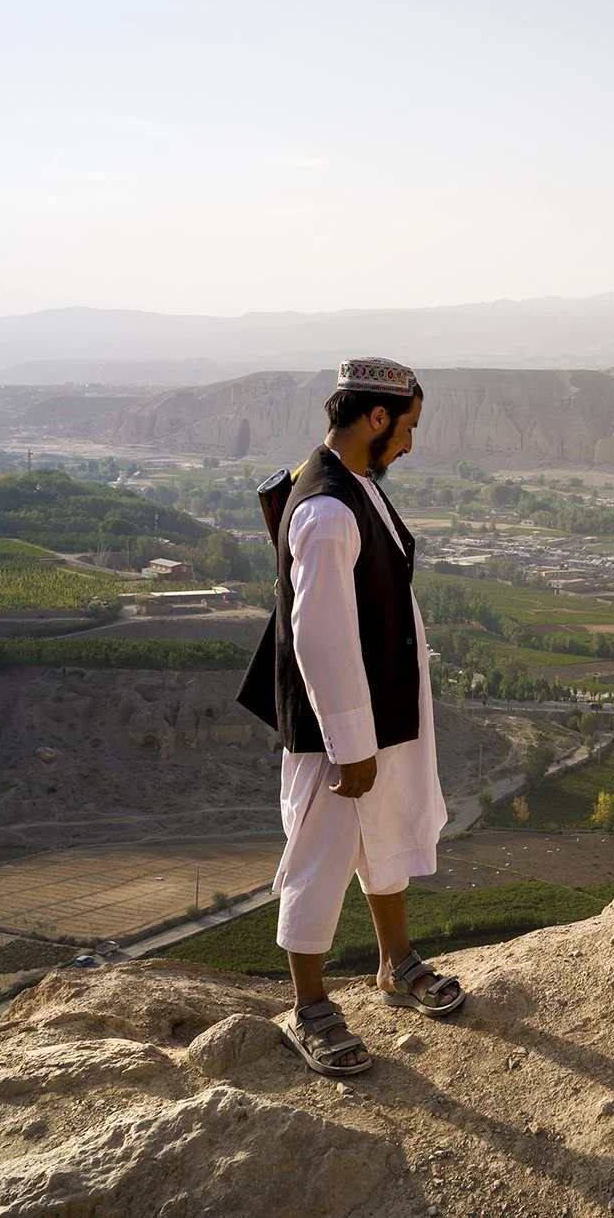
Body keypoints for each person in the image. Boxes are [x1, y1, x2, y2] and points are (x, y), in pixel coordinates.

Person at [238, 356, 463, 1077]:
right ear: (376, 418)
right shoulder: (329, 509)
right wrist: (350, 744)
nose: (409, 443)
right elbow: (321, 635)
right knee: (319, 858)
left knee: (384, 835)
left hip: (376, 714)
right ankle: (309, 1007)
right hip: (341, 731)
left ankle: (396, 964)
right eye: (407, 428)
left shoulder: (353, 486)